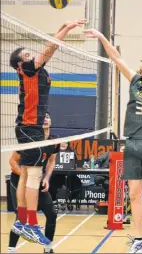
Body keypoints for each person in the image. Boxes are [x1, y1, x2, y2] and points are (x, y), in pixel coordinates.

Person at [84, 29, 142, 253]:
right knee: (133, 193)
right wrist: (102, 36)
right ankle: (139, 238)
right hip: (132, 143)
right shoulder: (135, 81)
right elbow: (116, 57)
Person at [9, 18, 86, 245]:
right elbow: (50, 47)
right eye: (25, 54)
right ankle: (31, 224)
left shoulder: (35, 69)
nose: (29, 54)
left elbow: (48, 45)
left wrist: (63, 26)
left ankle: (22, 221)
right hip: (30, 127)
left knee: (25, 175)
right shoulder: (29, 69)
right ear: (19, 63)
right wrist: (68, 30)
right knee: (32, 176)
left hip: (27, 127)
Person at [8, 113, 60, 253]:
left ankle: (47, 247)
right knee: (21, 218)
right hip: (20, 179)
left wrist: (46, 178)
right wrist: (26, 175)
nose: (45, 118)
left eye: (48, 116)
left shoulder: (54, 141)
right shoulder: (29, 140)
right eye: (42, 116)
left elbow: (51, 161)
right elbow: (12, 161)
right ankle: (11, 249)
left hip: (36, 179)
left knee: (52, 214)